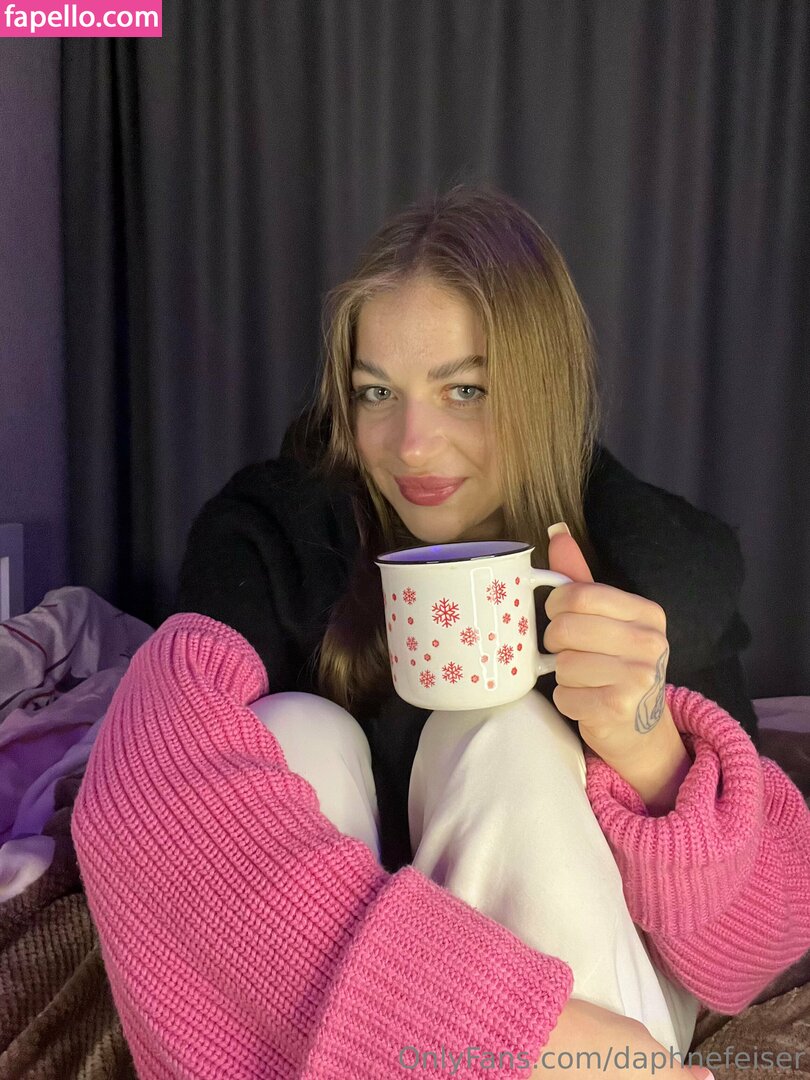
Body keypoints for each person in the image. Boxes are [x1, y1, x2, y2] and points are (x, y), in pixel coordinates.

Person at [72, 186, 810, 1080]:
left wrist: (650, 750)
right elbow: (143, 783)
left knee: (504, 735)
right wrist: (522, 1035)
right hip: (559, 1047)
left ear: (541, 392)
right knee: (295, 731)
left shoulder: (653, 558)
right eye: (377, 392)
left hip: (597, 988)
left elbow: (756, 953)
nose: (412, 444)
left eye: (465, 390)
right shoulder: (282, 529)